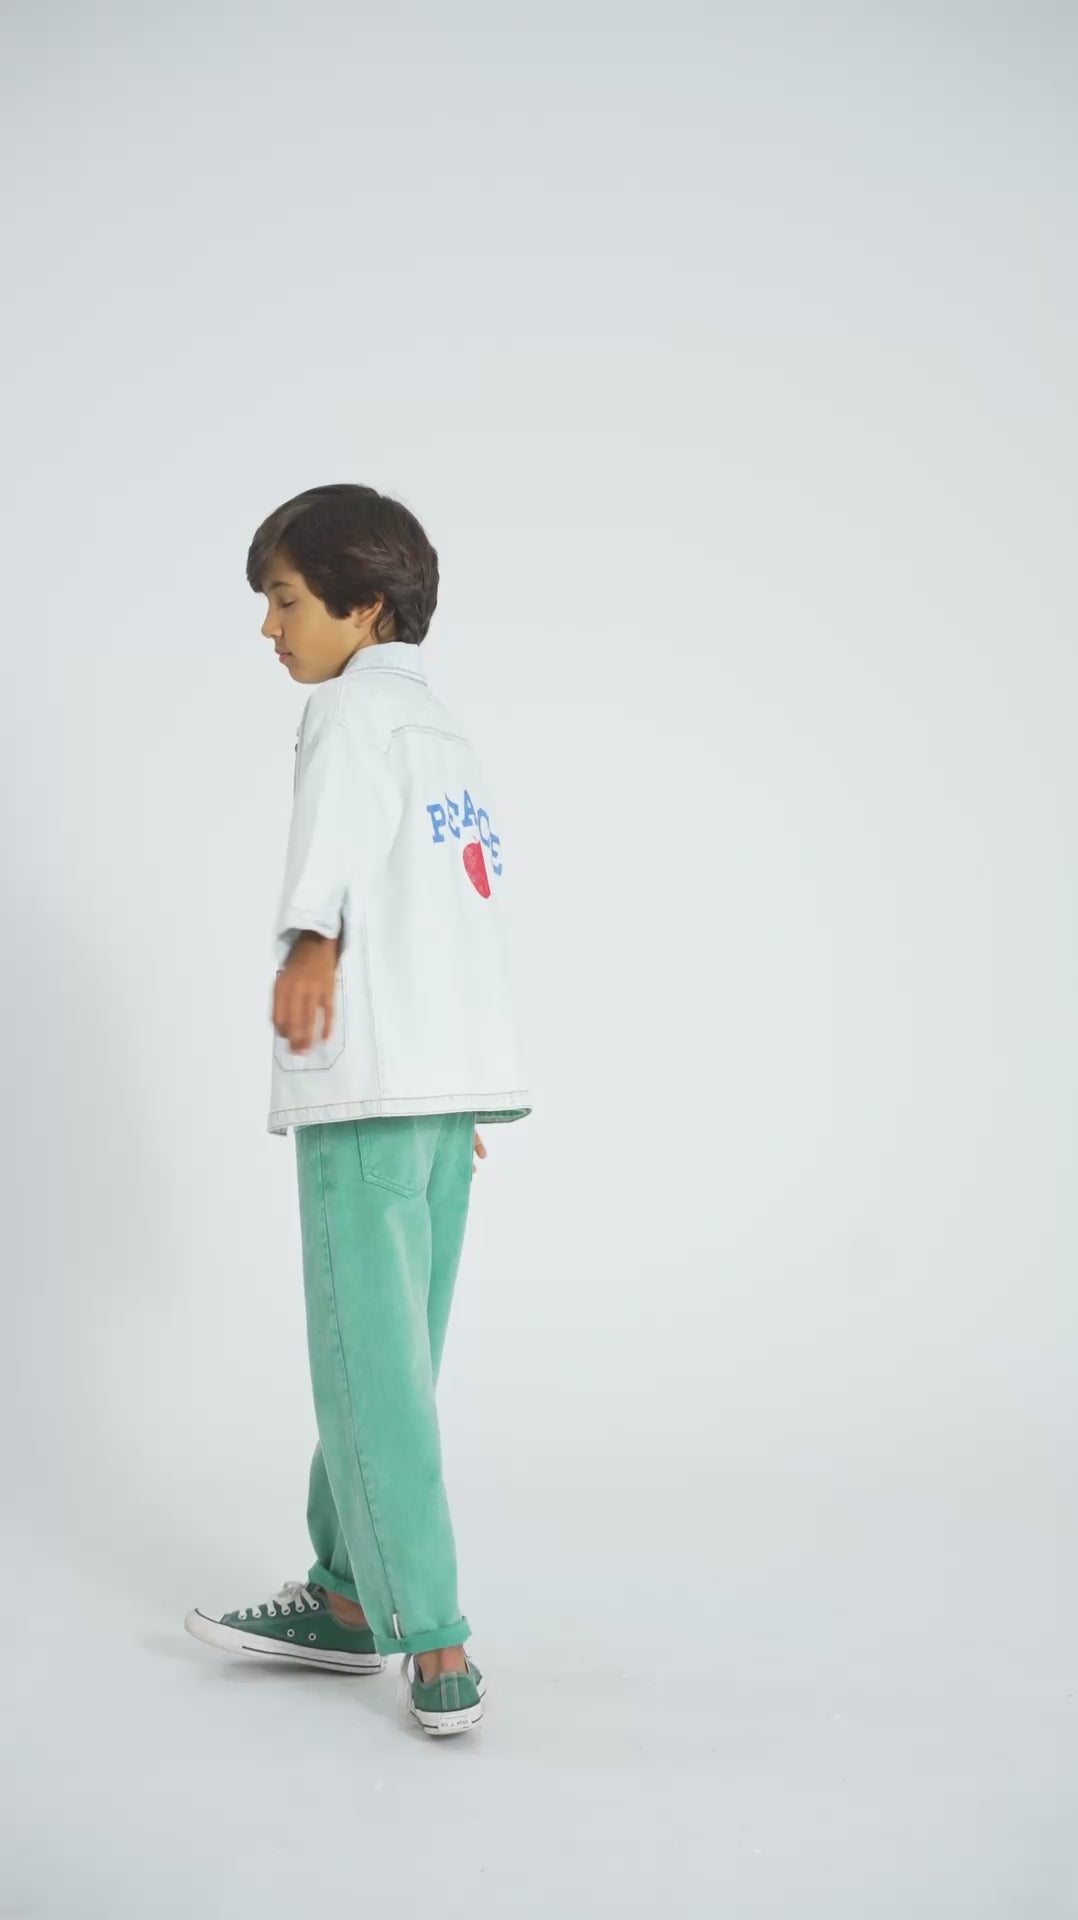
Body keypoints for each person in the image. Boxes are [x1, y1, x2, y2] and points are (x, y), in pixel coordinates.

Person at [185, 483, 532, 1738]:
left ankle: (432, 1635)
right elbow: (459, 912)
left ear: (365, 605)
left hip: (372, 1092)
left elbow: (331, 857)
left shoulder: (347, 713)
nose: (269, 629)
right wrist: (455, 1084)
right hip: (438, 1092)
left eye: (285, 601)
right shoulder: (445, 733)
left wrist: (309, 945)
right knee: (389, 1358)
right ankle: (342, 1596)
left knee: (366, 1368)